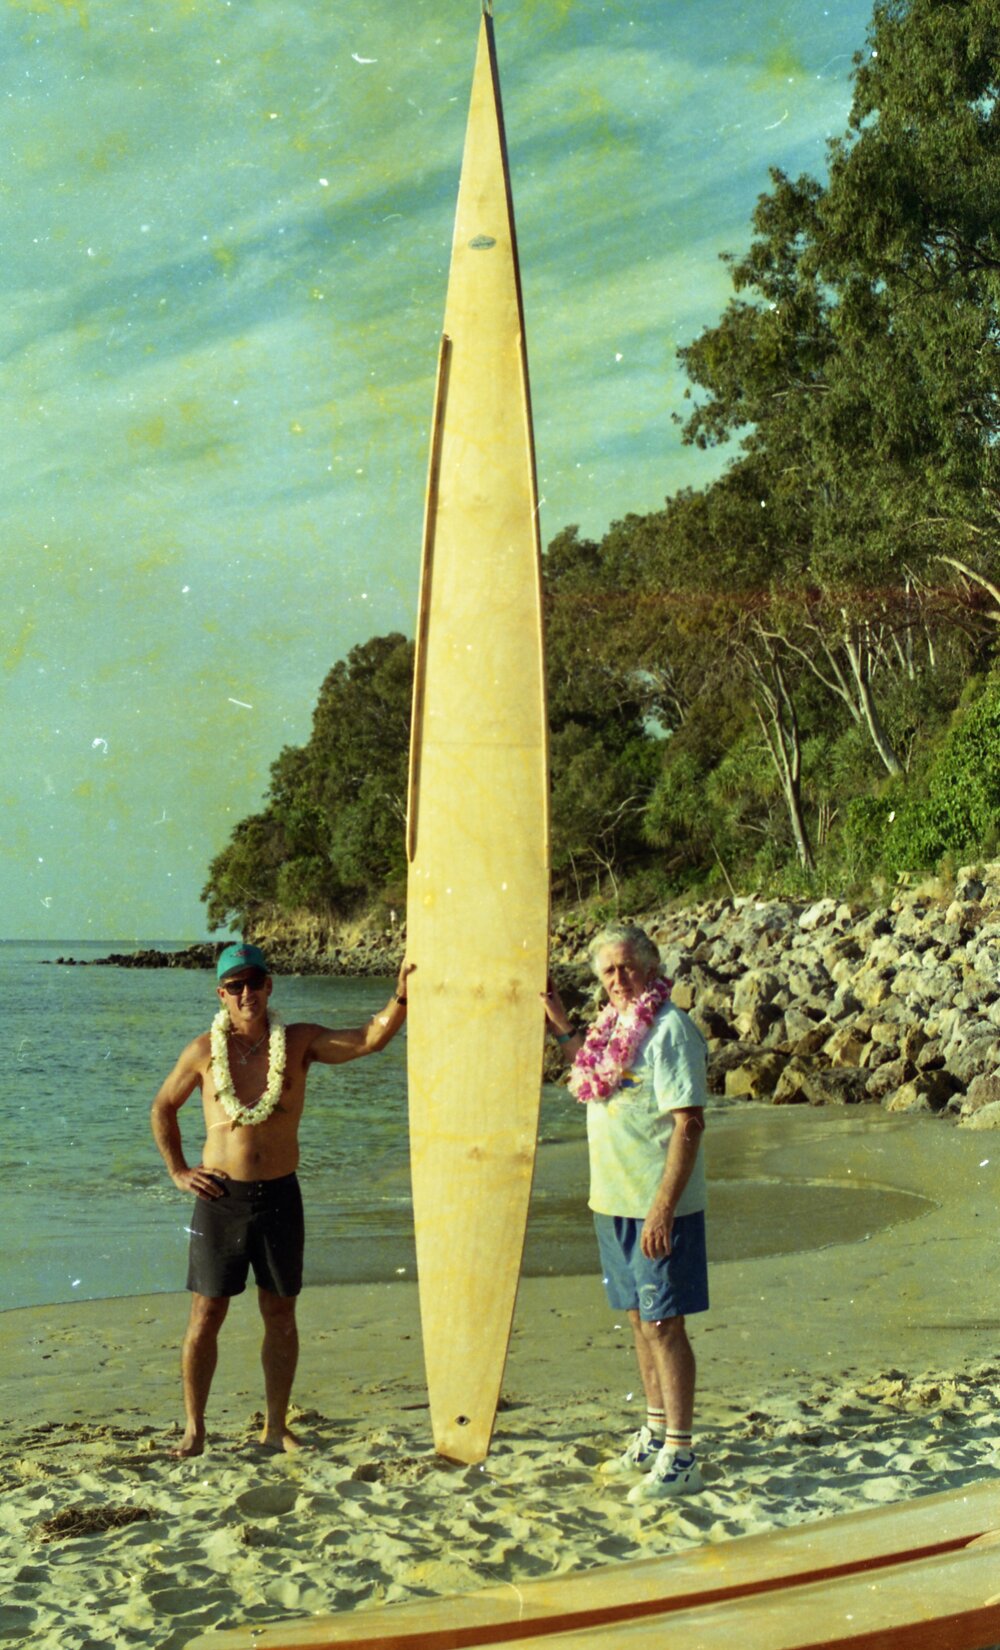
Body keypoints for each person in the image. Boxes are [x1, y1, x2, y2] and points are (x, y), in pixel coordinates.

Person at [151, 941, 414, 1457]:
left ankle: (275, 1426)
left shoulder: (298, 1042)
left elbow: (368, 1040)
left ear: (269, 985)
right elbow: (162, 1107)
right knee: (206, 1314)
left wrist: (401, 997)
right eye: (235, 986)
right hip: (219, 1198)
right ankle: (194, 1428)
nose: (246, 993)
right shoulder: (204, 1050)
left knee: (280, 1312)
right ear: (222, 994)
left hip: (279, 1196)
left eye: (255, 982)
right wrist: (179, 1171)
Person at [543, 922, 708, 1501]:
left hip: (657, 1206)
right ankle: (656, 1430)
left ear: (651, 966)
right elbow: (593, 1078)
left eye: (627, 967)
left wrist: (662, 1208)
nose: (618, 980)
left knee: (664, 1324)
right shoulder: (610, 1030)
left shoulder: (669, 1029)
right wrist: (562, 1024)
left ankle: (682, 1454)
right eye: (608, 971)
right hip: (610, 1202)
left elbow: (689, 1123)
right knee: (639, 1320)